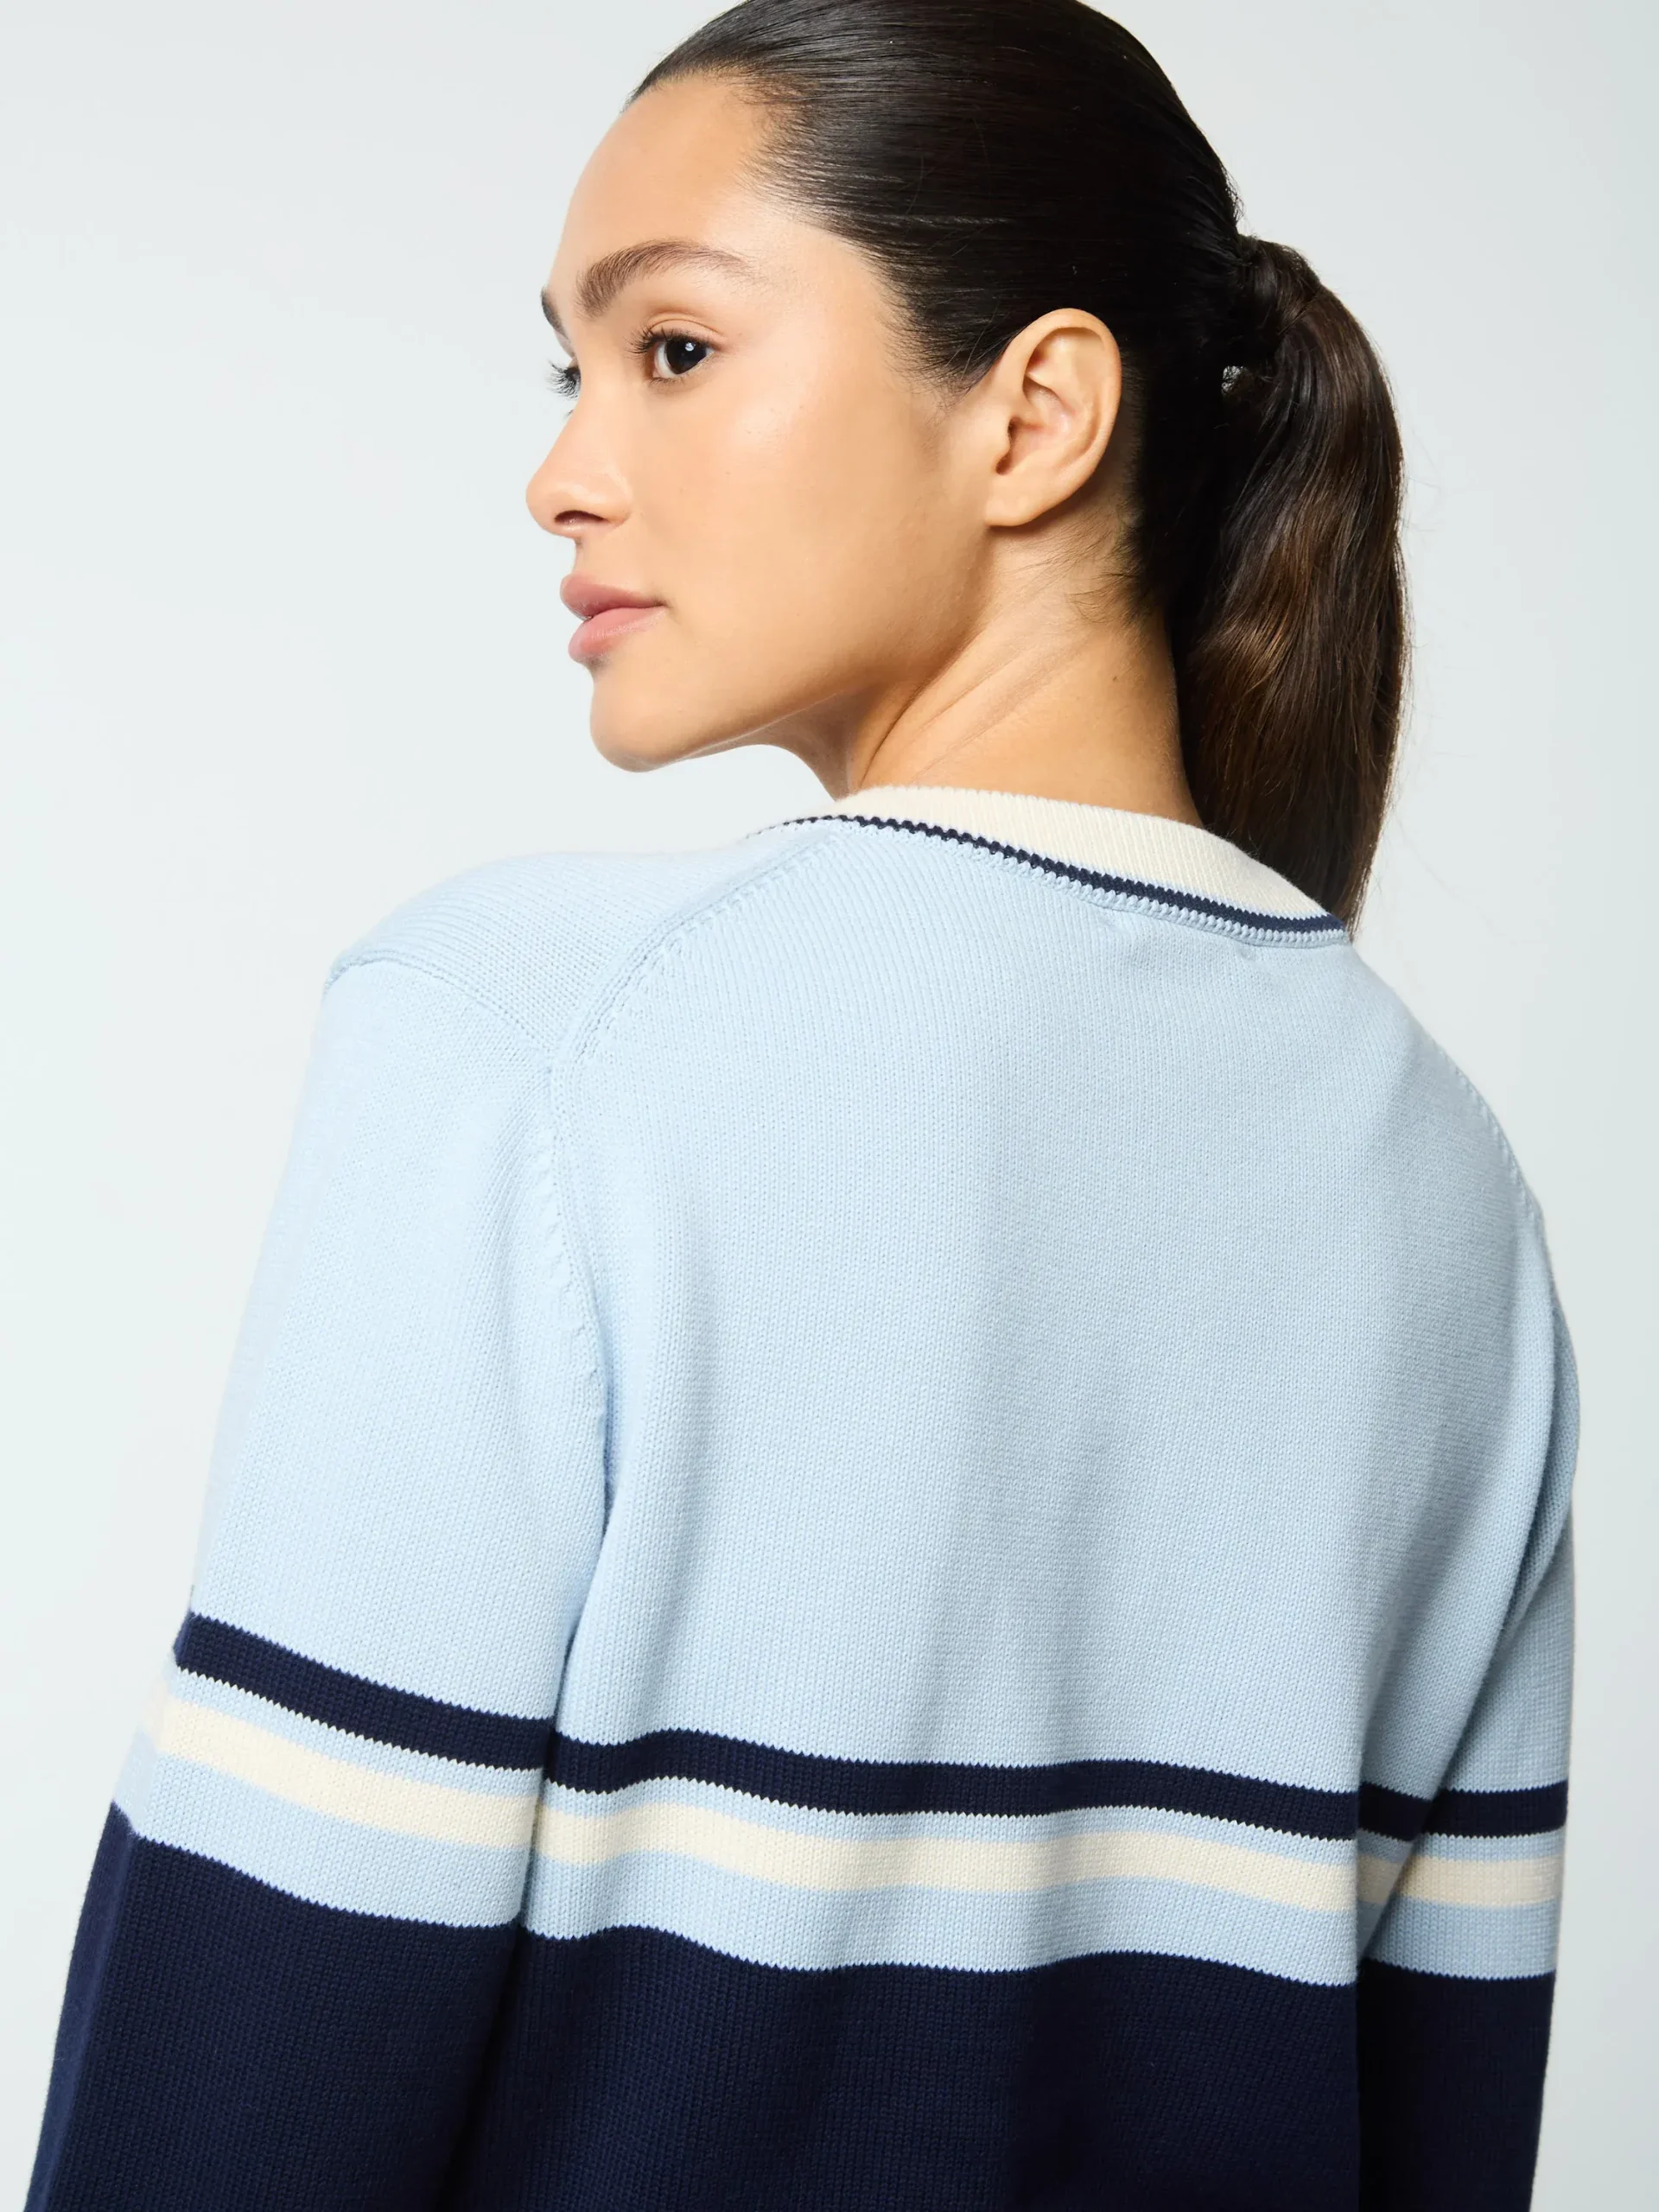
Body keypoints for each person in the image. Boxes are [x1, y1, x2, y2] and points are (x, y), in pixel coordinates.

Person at [26, 3, 1574, 2207]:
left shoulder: (528, 1033)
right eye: (570, 369)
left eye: (672, 348)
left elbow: (242, 2076)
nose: (562, 472)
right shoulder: (1451, 1191)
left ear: (1035, 414)